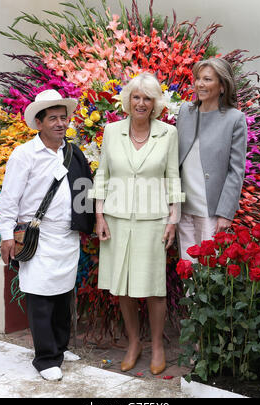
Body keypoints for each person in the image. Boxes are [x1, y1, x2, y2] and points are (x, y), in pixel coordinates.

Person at [0, 89, 94, 381]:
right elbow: (9, 199)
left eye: (64, 118)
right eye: (53, 118)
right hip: (37, 237)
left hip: (66, 237)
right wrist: (6, 235)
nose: (60, 124)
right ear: (39, 123)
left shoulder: (73, 153)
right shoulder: (24, 154)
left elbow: (84, 190)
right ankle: (45, 358)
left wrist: (87, 222)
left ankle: (60, 349)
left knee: (63, 295)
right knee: (40, 297)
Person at [89, 72, 184, 375]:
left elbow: (173, 177)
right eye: (136, 97)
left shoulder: (167, 133)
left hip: (153, 219)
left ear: (155, 103)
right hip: (116, 219)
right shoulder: (112, 130)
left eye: (147, 98)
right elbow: (102, 174)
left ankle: (156, 345)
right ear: (128, 100)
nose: (141, 103)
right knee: (123, 287)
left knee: (154, 287)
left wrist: (173, 220)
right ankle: (134, 343)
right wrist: (99, 215)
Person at [176, 58, 247, 262]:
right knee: (187, 270)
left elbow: (236, 170)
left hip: (211, 211)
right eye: (198, 78)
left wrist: (225, 212)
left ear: (222, 86)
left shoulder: (235, 119)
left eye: (207, 79)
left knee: (208, 271)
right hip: (182, 207)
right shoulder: (185, 111)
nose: (200, 84)